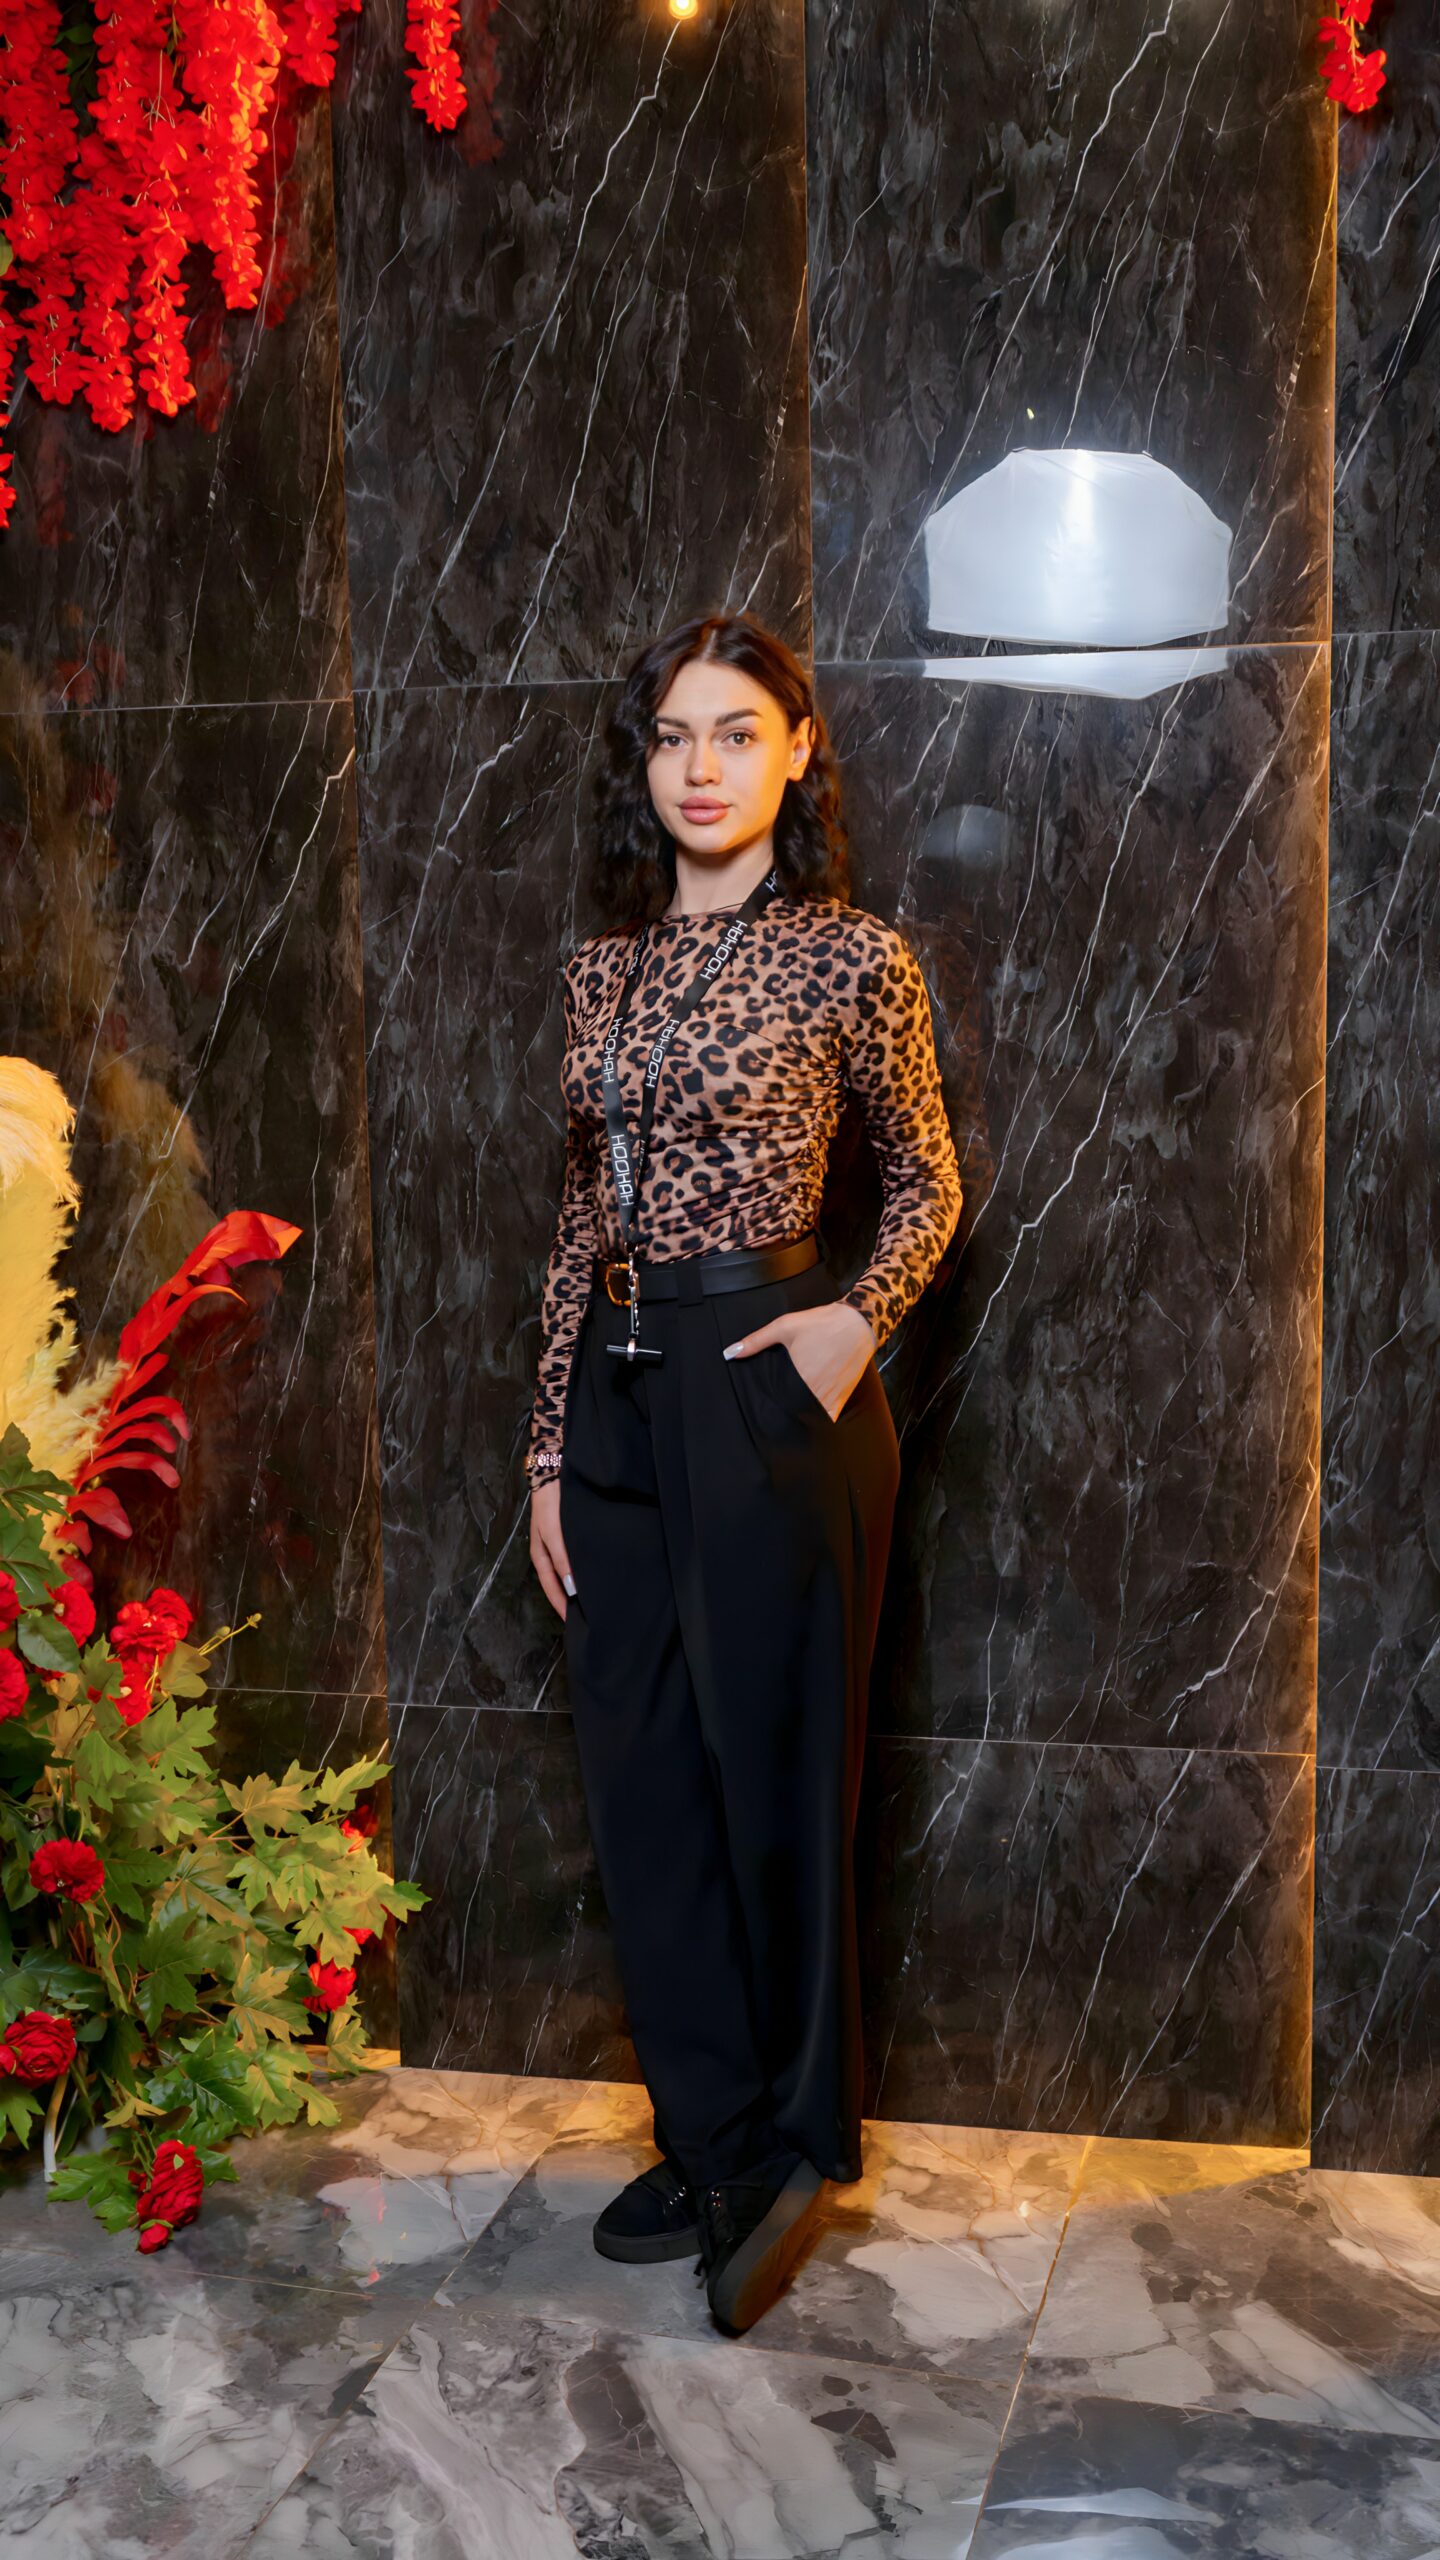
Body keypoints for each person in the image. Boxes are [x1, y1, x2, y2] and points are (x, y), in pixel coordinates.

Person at [525, 609, 962, 2336]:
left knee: (777, 1779)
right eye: (670, 738)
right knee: (644, 1786)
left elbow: (928, 1179)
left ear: (796, 752)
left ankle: (792, 2141)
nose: (698, 768)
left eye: (734, 732)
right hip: (618, 1390)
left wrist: (855, 1321)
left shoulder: (851, 957)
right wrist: (548, 1448)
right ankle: (705, 2134)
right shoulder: (602, 972)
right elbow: (580, 1220)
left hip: (769, 1377)